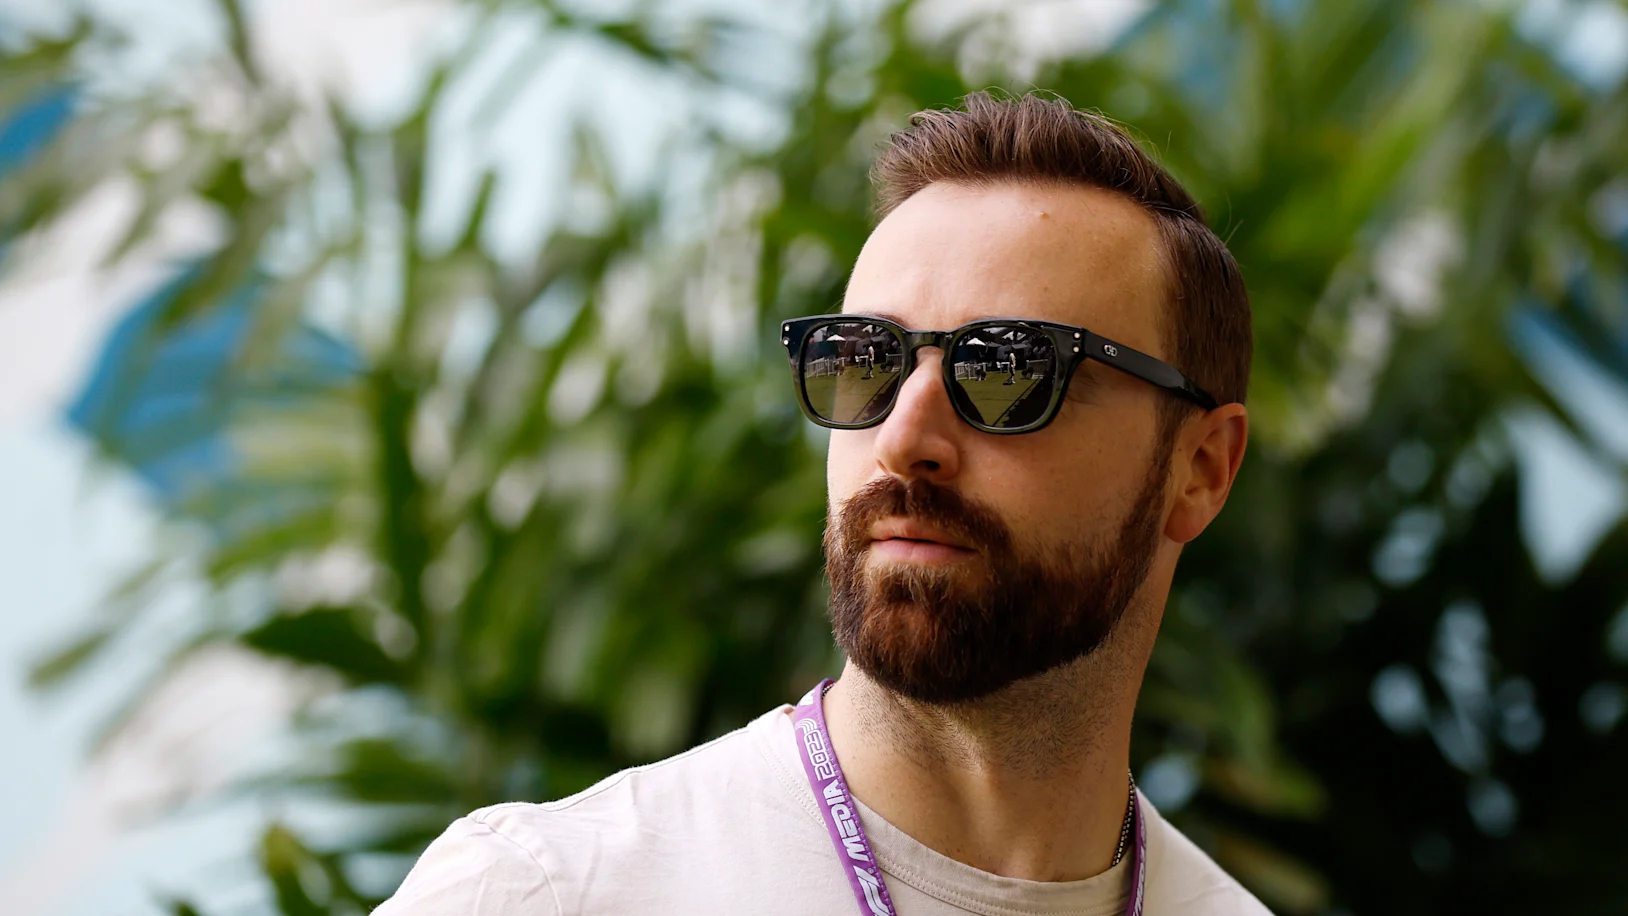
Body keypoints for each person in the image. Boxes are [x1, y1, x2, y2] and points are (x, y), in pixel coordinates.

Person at [375, 92, 1260, 915]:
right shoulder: (545, 894)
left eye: (1009, 369)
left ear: (1202, 469)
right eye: (865, 359)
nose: (903, 437)